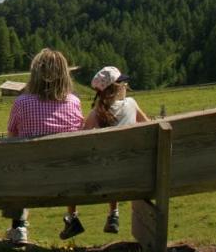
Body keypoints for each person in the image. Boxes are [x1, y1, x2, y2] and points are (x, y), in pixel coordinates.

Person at [5, 48, 84, 245]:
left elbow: (12, 136)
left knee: (18, 166)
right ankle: (72, 217)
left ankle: (19, 227)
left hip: (30, 177)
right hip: (66, 177)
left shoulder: (22, 102)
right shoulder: (74, 102)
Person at [60, 66, 151, 238]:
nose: (126, 85)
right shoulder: (131, 104)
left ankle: (73, 217)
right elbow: (149, 126)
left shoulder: (96, 113)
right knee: (117, 160)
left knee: (94, 164)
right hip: (132, 173)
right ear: (118, 87)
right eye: (124, 83)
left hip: (103, 177)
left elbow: (79, 140)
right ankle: (114, 214)